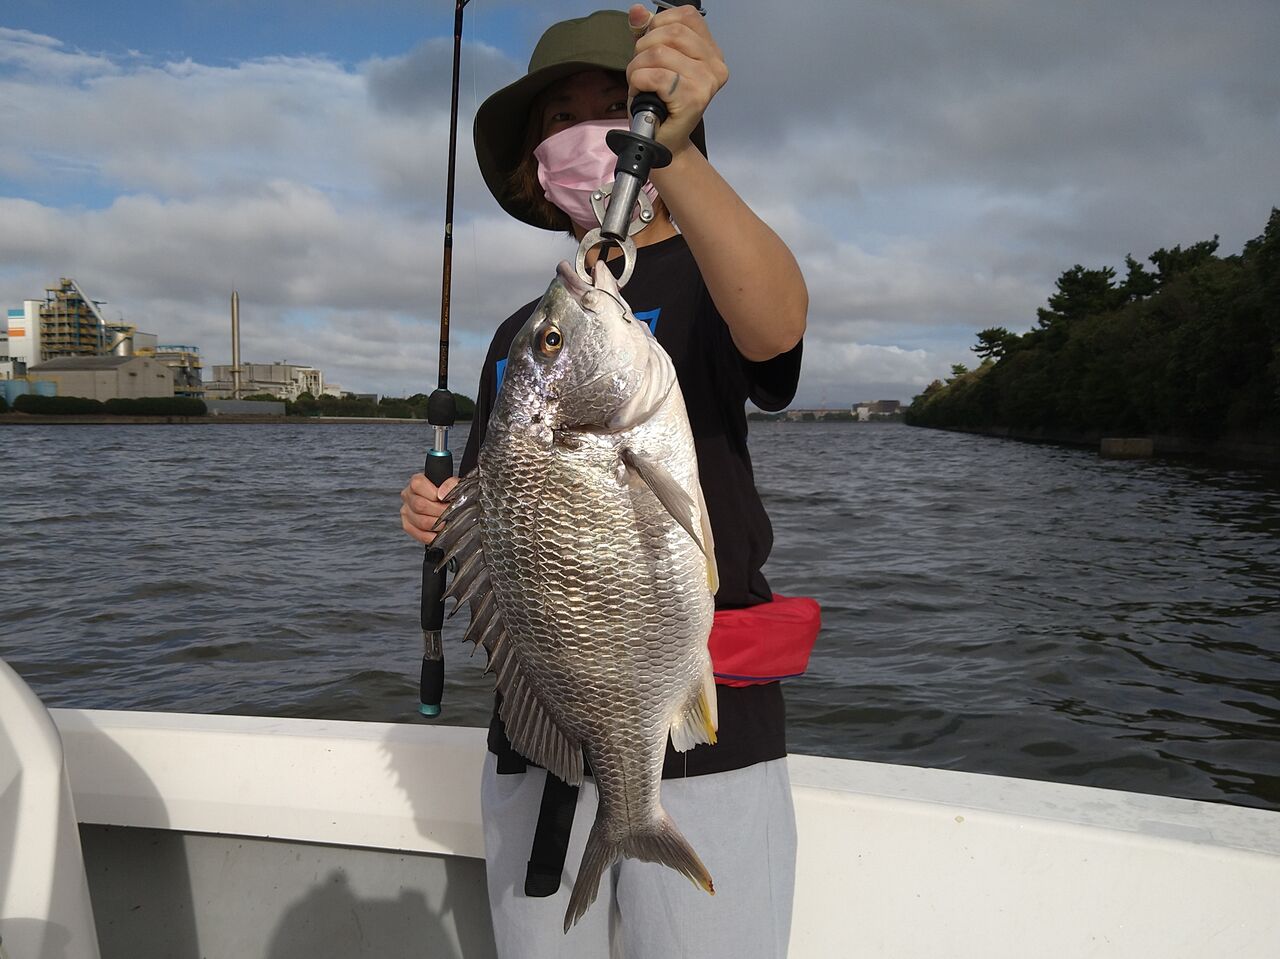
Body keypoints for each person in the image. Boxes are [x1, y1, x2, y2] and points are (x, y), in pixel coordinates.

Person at [400, 6, 815, 957]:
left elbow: (777, 325)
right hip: (537, 728)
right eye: (559, 117)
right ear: (533, 166)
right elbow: (502, 500)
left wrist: (678, 155)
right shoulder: (524, 334)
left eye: (613, 106)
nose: (584, 129)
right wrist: (438, 512)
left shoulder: (713, 268)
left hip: (710, 729)